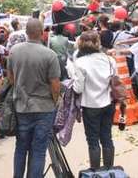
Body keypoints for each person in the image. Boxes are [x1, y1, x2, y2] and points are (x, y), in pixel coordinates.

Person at [7, 18, 61, 178]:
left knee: (21, 147)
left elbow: (10, 78)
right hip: (44, 108)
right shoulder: (50, 55)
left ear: (26, 32)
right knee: (38, 150)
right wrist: (55, 101)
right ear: (42, 33)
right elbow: (55, 85)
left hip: (22, 107)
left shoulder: (14, 51)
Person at [70, 31, 116, 170]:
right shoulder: (110, 60)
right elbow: (115, 81)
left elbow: (78, 88)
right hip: (108, 103)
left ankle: (95, 172)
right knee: (107, 138)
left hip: (90, 105)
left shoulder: (80, 62)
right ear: (98, 43)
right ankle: (109, 171)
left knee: (93, 141)